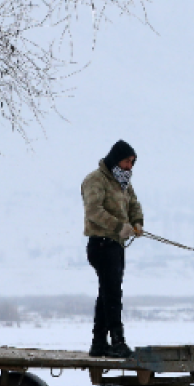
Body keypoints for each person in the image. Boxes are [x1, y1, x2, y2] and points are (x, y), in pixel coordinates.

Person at [82, 140, 144, 357]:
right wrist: (119, 226)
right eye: (127, 161)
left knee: (107, 292)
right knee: (112, 293)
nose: (130, 166)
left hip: (116, 245)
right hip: (101, 243)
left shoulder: (124, 183)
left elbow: (134, 205)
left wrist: (137, 223)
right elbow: (93, 211)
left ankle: (99, 341)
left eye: (132, 163)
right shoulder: (95, 180)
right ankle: (117, 341)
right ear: (116, 159)